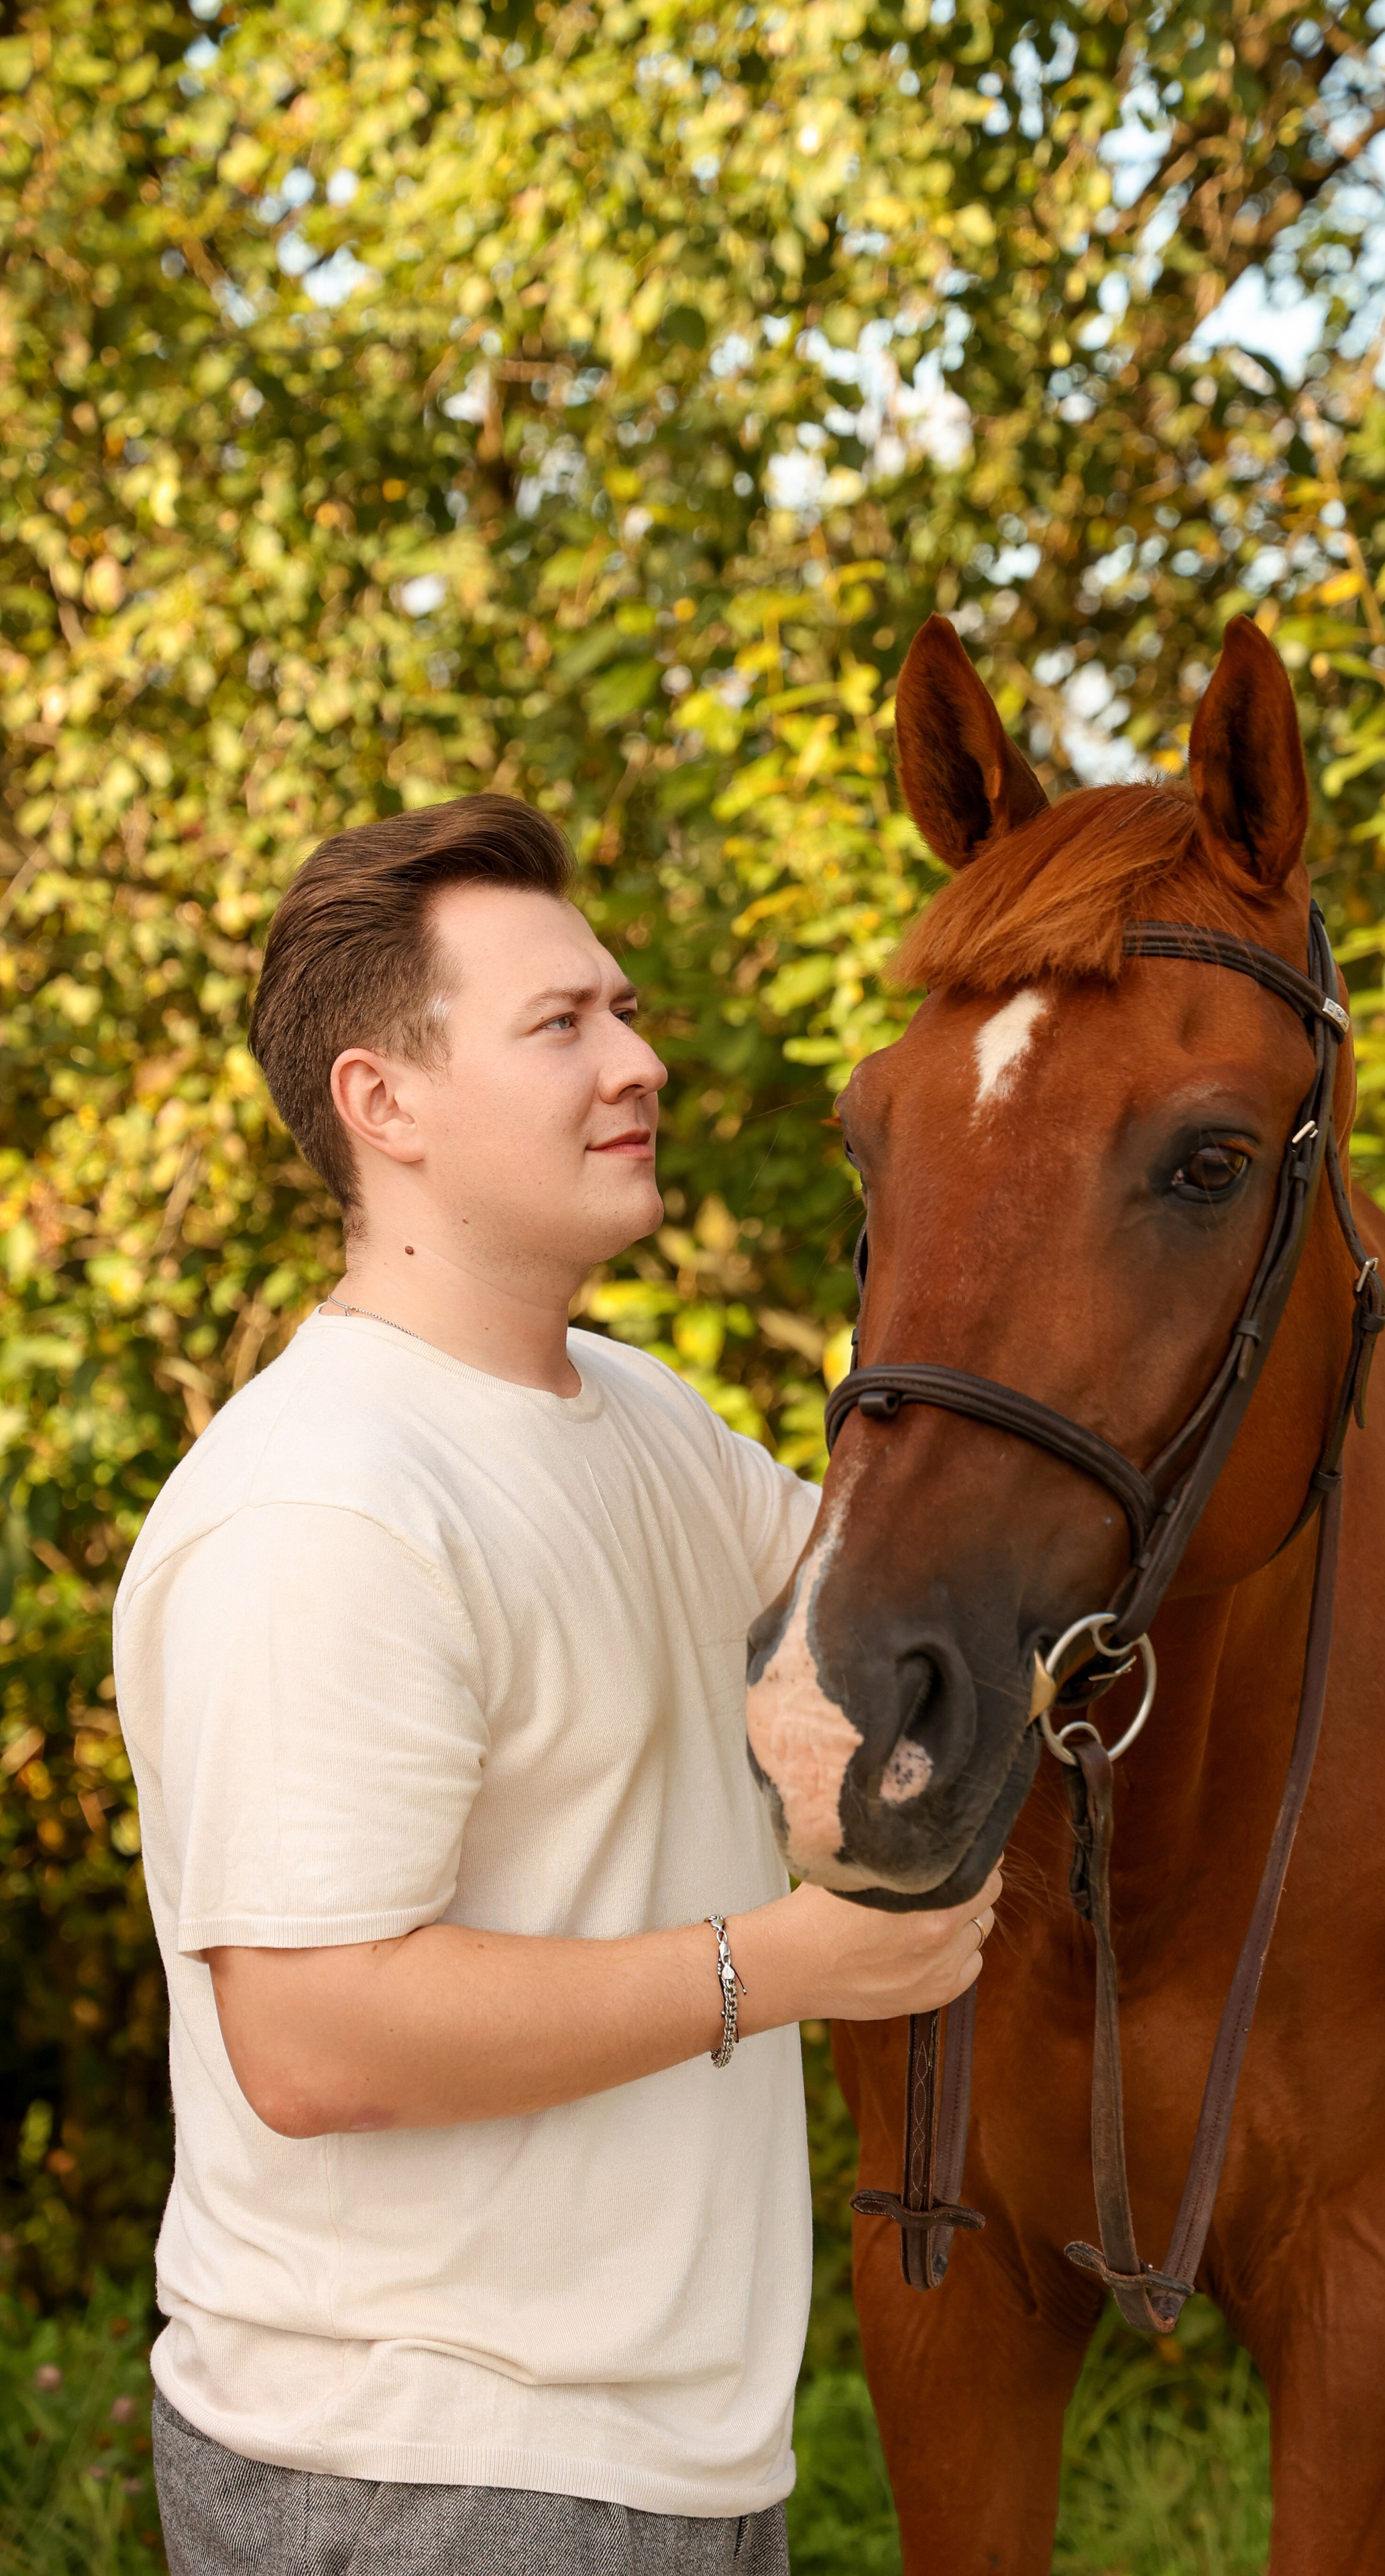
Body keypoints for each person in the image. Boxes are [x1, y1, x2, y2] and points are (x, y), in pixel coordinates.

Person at [114, 794, 998, 2576]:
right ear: (387, 1103)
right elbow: (311, 2034)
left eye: (627, 1009)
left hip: (665, 2462)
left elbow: (922, 1598)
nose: (638, 1060)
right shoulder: (328, 1502)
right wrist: (789, 1969)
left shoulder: (644, 1421)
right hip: (414, 2478)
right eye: (562, 1024)